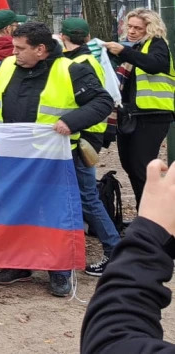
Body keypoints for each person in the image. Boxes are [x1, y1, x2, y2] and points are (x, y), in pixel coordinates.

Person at [0, 21, 113, 297]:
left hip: (54, 159)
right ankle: (19, 264)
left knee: (54, 215)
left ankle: (59, 271)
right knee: (16, 210)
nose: (13, 53)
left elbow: (102, 102)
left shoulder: (71, 69)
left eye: (20, 48)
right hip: (16, 156)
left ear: (40, 49)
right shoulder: (7, 66)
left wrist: (71, 122)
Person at [80, 159, 175, 352]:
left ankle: (111, 246)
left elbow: (112, 343)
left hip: (76, 149)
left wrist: (151, 234)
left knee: (89, 198)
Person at [58, 17, 119, 276]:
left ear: (63, 37)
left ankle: (114, 251)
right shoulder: (89, 58)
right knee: (85, 196)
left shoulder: (77, 63)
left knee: (87, 197)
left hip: (82, 137)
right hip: (89, 135)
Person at [104, 8, 175, 211]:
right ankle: (143, 213)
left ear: (150, 28)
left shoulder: (157, 45)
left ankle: (154, 218)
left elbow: (155, 64)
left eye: (138, 28)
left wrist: (124, 51)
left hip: (152, 116)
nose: (132, 31)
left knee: (141, 168)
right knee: (131, 167)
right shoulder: (135, 47)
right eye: (130, 26)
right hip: (131, 115)